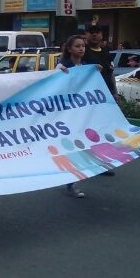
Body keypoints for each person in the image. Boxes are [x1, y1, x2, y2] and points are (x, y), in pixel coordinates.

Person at [56, 35, 104, 198]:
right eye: (77, 46)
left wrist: (95, 71)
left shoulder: (86, 67)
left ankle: (71, 181)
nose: (81, 49)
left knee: (79, 146)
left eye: (83, 46)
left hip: (81, 114)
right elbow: (54, 84)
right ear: (69, 49)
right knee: (68, 146)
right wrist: (58, 72)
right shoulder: (63, 66)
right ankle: (68, 181)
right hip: (66, 114)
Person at [82, 25, 118, 177]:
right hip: (89, 99)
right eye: (92, 33)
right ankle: (89, 161)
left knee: (103, 130)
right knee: (90, 130)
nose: (95, 36)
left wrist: (115, 93)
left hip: (106, 97)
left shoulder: (106, 52)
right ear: (86, 35)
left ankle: (101, 162)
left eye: (98, 33)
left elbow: (110, 74)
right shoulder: (84, 52)